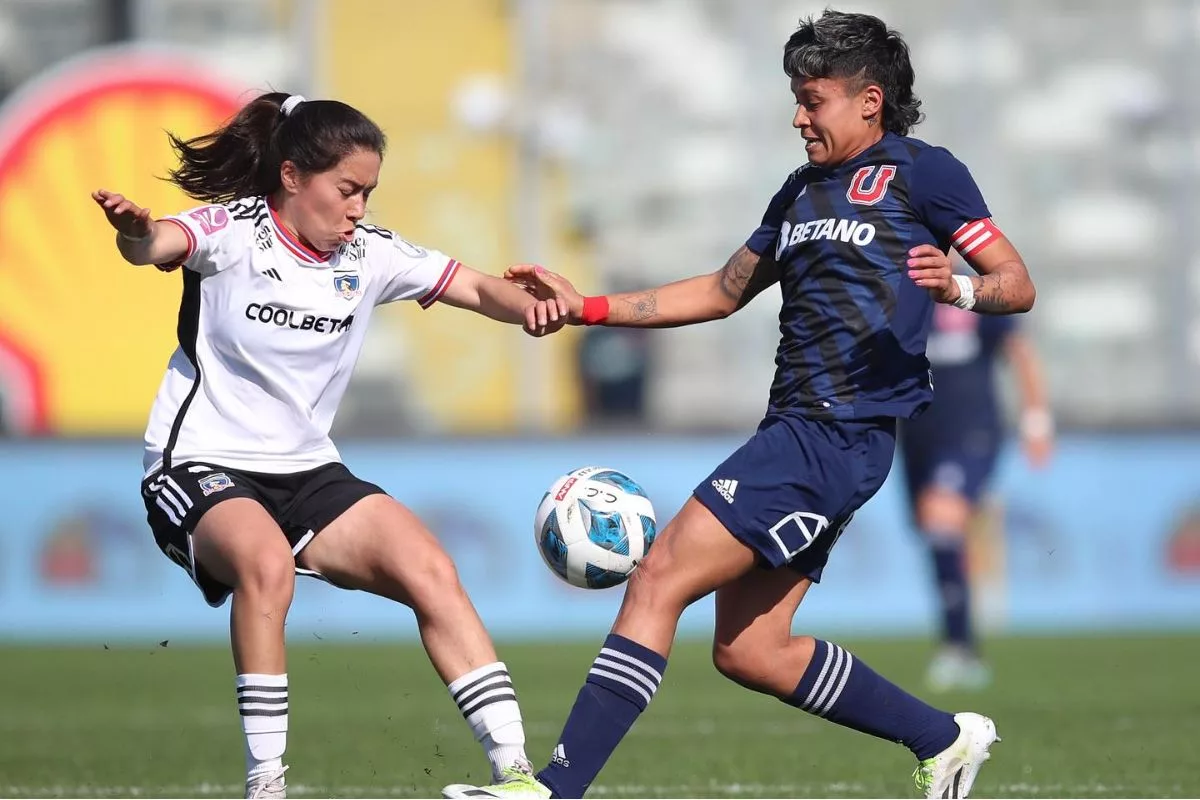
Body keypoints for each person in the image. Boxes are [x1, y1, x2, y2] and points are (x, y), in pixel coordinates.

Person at [443, 10, 1036, 800]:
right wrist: (587, 307)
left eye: (812, 99)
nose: (797, 116)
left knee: (657, 577)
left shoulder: (924, 174)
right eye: (794, 98)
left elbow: (1016, 283)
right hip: (800, 427)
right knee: (752, 650)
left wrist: (958, 285)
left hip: (836, 432)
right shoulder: (800, 189)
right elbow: (723, 292)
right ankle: (944, 738)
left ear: (869, 101)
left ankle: (555, 787)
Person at [92, 91, 566, 799]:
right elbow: (157, 244)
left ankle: (515, 774)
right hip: (197, 462)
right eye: (348, 190)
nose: (359, 209)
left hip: (308, 470)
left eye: (369, 192)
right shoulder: (235, 231)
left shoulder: (369, 253)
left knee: (431, 568)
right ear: (292, 177)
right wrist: (134, 231)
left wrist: (541, 304)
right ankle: (267, 785)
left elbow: (470, 285)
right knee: (264, 565)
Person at [900, 291, 1053, 692]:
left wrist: (1036, 420)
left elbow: (1018, 350)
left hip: (971, 431)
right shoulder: (899, 296)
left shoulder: (974, 294)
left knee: (942, 516)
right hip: (916, 436)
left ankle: (960, 648)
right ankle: (958, 641)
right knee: (934, 533)